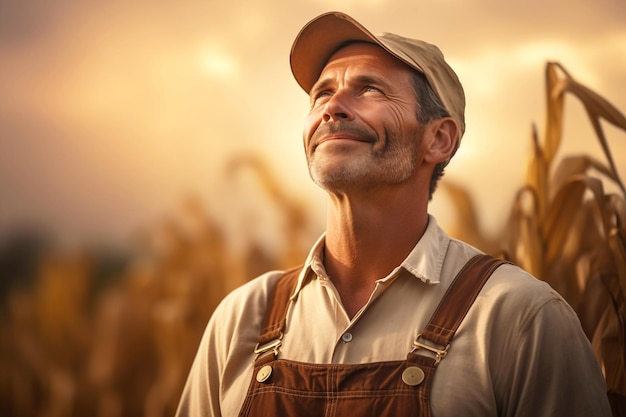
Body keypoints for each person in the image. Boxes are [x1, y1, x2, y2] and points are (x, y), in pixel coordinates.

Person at [175, 11, 612, 417]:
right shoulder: (242, 318)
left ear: (438, 139)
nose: (332, 106)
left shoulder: (519, 318)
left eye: (369, 88)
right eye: (321, 93)